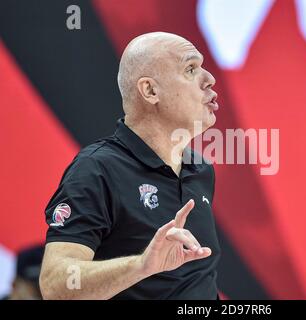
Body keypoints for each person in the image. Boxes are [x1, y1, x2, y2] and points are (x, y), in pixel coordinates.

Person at [39, 32, 221, 299]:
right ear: (150, 90)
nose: (210, 79)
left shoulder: (200, 169)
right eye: (191, 69)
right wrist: (141, 266)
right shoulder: (96, 170)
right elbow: (55, 284)